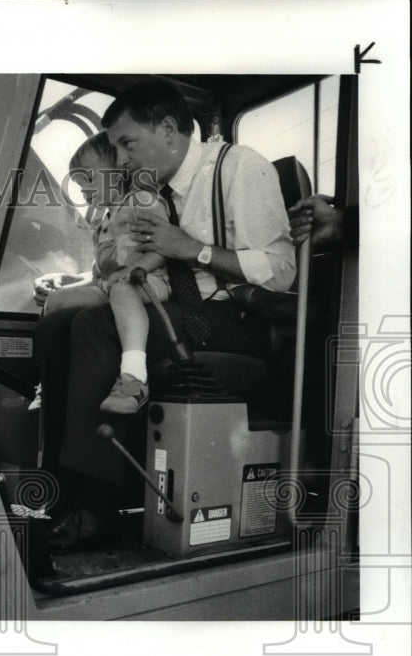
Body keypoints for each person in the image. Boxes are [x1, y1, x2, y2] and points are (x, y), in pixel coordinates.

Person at [37, 78, 295, 552]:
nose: (123, 158)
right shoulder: (152, 191)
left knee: (94, 328)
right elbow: (131, 259)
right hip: (173, 309)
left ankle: (96, 507)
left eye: (128, 143)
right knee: (55, 327)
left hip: (232, 319)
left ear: (170, 130)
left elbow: (280, 272)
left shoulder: (240, 169)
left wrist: (192, 250)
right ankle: (59, 487)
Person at [31, 131, 172, 414]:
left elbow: (163, 249)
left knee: (122, 288)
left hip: (148, 283)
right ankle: (47, 381)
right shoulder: (104, 221)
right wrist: (74, 280)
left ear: (119, 172)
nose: (84, 190)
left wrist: (133, 271)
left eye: (90, 180)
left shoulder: (142, 202)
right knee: (55, 301)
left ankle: (134, 376)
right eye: (80, 184)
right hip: (110, 286)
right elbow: (100, 274)